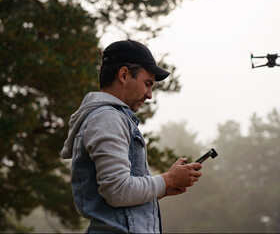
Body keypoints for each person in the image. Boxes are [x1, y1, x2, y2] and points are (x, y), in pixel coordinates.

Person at [61, 39, 202, 233]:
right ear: (124, 74)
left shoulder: (109, 117)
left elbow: (114, 201)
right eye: (147, 84)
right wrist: (167, 180)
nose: (150, 95)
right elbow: (118, 190)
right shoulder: (107, 118)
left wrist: (162, 189)